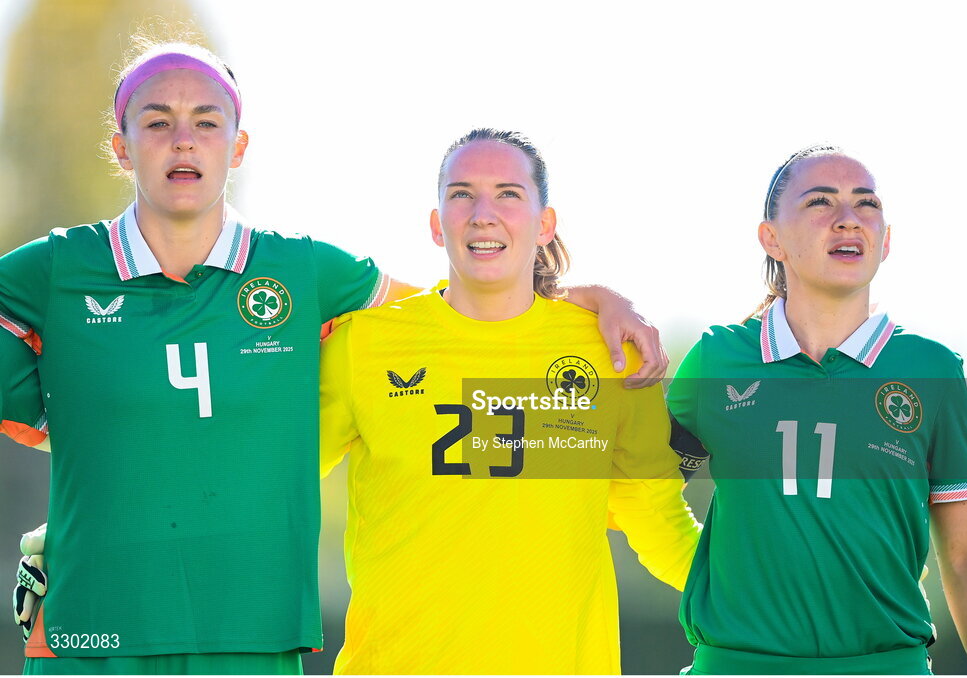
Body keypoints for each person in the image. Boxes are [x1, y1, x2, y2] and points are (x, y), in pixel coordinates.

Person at [0, 39, 667, 674]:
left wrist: (583, 298)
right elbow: (103, 429)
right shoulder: (57, 267)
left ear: (238, 147)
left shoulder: (308, 270)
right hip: (93, 622)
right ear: (122, 146)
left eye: (206, 122)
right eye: (158, 121)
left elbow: (454, 309)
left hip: (252, 633)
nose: (183, 139)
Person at [317, 128, 701, 674]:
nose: (483, 213)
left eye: (508, 194)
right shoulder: (364, 344)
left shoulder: (613, 350)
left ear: (545, 224)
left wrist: (766, 598)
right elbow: (277, 480)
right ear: (436, 224)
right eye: (461, 193)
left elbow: (660, 521)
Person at [666, 145, 967, 675]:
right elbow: (644, 489)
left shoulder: (932, 369)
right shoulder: (716, 360)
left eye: (866, 204)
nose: (848, 219)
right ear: (772, 238)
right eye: (820, 203)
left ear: (886, 240)